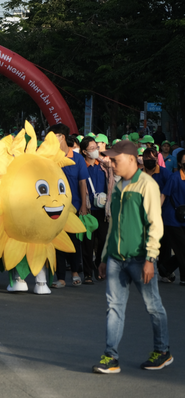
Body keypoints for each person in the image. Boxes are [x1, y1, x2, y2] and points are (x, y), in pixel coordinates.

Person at [93, 140, 171, 374]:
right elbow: (113, 225)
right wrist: (105, 257)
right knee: (113, 308)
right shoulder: (118, 186)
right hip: (116, 259)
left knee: (153, 306)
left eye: (115, 159)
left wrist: (150, 258)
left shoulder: (146, 185)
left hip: (140, 258)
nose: (111, 163)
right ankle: (111, 357)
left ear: (129, 158)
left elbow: (155, 224)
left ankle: (162, 350)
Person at [49, 124, 88, 288]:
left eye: (53, 136)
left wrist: (84, 205)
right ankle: (60, 278)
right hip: (55, 208)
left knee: (73, 242)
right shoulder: (50, 157)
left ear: (61, 137)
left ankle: (75, 272)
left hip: (74, 207)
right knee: (57, 241)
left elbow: (82, 182)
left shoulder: (77, 158)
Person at [80, 137, 109, 284]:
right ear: (84, 151)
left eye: (96, 147)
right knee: (88, 242)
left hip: (103, 210)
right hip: (88, 209)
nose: (95, 150)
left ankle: (98, 264)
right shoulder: (82, 166)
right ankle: (87, 273)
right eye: (92, 148)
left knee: (103, 240)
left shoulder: (103, 166)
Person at [159, 149, 185, 285]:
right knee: (182, 248)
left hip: (183, 218)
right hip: (172, 218)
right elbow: (164, 195)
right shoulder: (175, 178)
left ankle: (165, 268)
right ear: (180, 163)